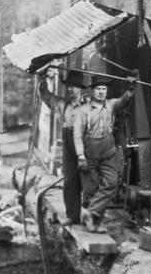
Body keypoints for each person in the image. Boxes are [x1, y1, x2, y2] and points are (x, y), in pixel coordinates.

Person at [73, 75, 136, 233]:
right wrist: (80, 155)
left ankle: (90, 213)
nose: (101, 92)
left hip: (108, 150)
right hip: (89, 152)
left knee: (111, 183)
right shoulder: (83, 110)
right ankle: (94, 222)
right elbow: (77, 134)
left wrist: (130, 89)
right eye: (98, 89)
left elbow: (123, 101)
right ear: (92, 91)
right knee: (91, 189)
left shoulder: (111, 105)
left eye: (104, 89)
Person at [39, 67, 87, 226]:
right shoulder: (61, 104)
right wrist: (42, 79)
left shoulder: (90, 105)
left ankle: (92, 217)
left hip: (86, 145)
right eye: (68, 86)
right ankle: (73, 216)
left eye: (73, 86)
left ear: (80, 88)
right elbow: (45, 96)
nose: (70, 89)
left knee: (89, 181)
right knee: (70, 179)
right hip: (68, 146)